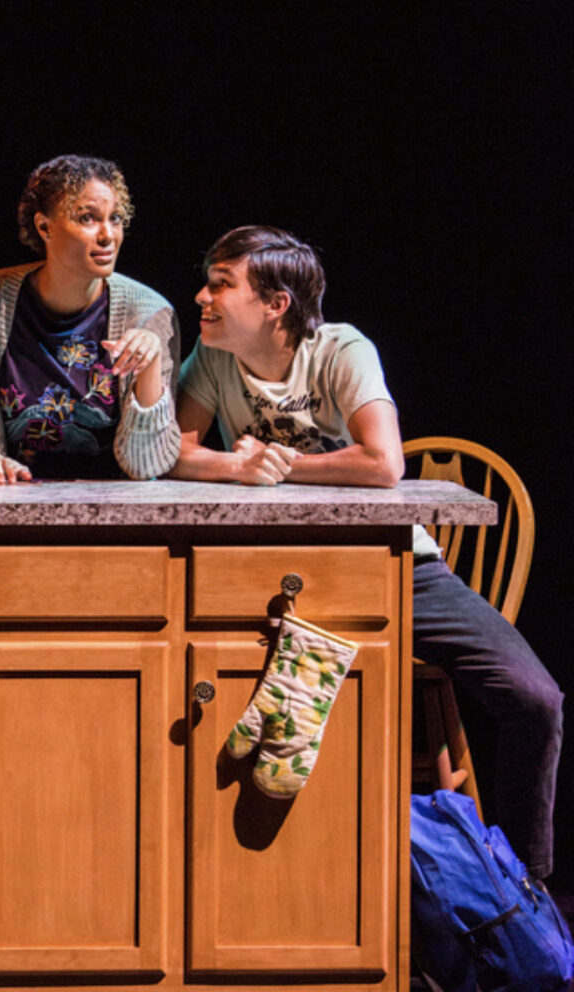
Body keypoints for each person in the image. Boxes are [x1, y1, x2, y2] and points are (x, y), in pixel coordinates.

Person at [171, 224, 563, 883]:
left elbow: (385, 463)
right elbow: (174, 451)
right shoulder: (212, 358)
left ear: (275, 304)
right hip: (278, 577)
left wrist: (281, 463)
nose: (202, 298)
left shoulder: (339, 349)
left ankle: (526, 889)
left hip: (396, 564)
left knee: (536, 699)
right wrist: (237, 468)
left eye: (221, 285)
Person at [0, 154, 181, 483]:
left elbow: (146, 466)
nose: (108, 235)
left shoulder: (150, 314)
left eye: (115, 219)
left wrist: (149, 366)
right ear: (44, 227)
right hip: (12, 498)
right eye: (87, 218)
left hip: (116, 505)